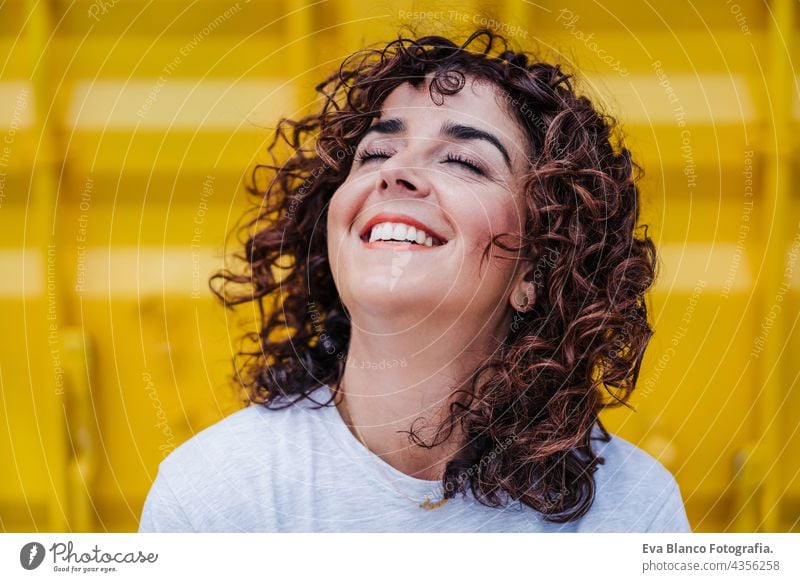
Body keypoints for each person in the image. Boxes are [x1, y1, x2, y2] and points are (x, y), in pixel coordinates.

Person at [138, 27, 691, 532]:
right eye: (376, 151)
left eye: (465, 163)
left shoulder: (633, 510)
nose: (396, 171)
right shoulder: (211, 497)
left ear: (537, 268)